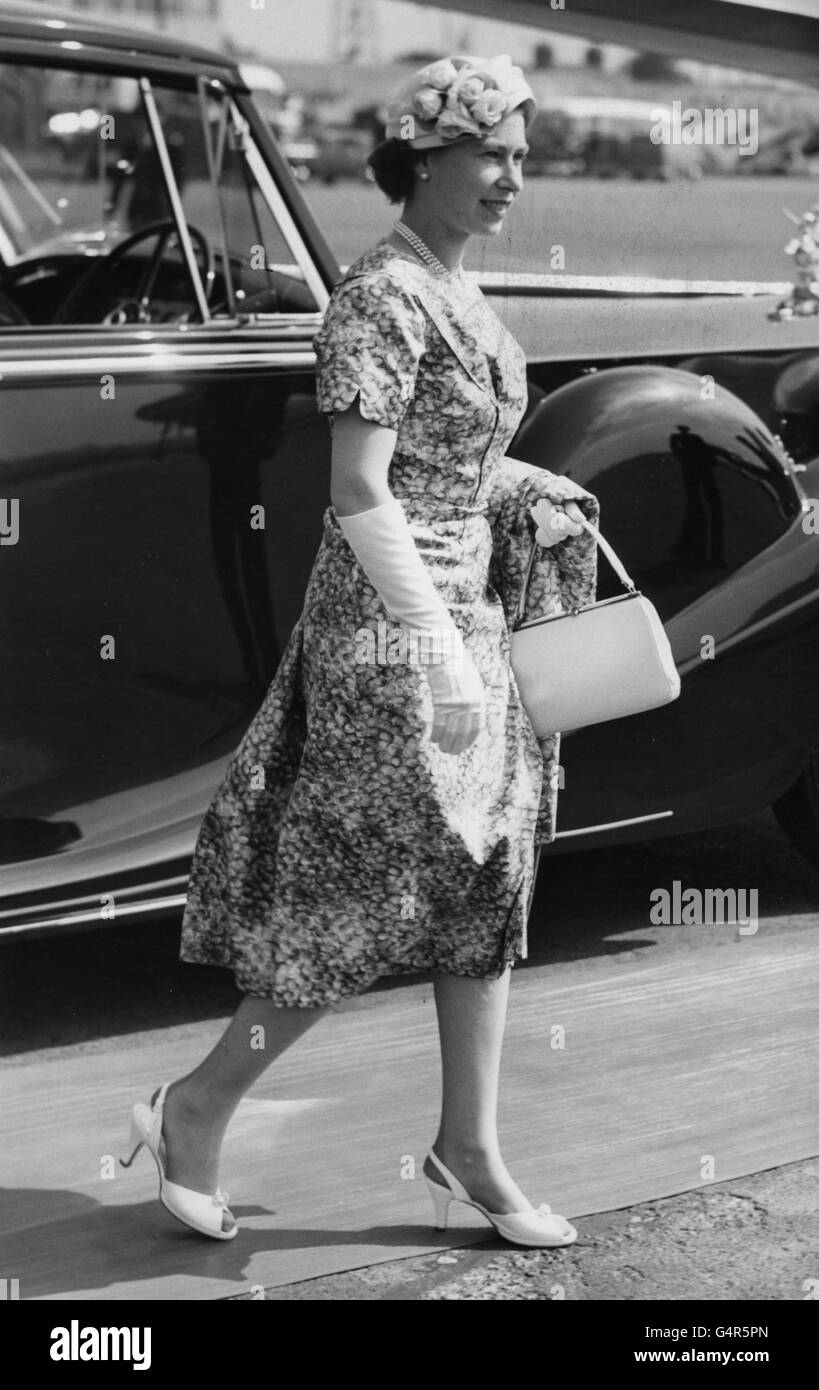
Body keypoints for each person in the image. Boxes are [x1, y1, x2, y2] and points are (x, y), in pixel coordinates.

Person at [120, 54, 593, 1248]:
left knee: (486, 877)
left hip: (465, 617)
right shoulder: (381, 296)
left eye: (520, 159)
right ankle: (195, 1107)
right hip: (394, 635)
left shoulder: (457, 290)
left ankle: (469, 1147)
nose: (510, 180)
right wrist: (430, 648)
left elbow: (453, 468)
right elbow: (361, 492)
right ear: (426, 156)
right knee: (364, 899)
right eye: (492, 153)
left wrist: (536, 485)